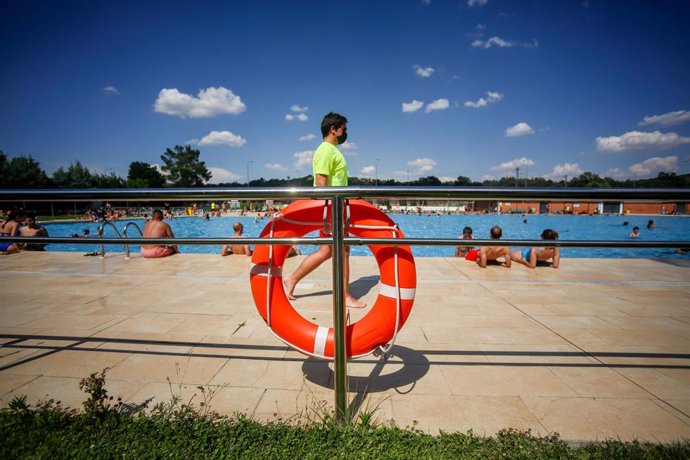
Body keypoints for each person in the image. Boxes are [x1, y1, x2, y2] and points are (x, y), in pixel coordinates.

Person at [283, 112, 366, 308]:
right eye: (343, 128)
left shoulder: (332, 150)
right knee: (343, 250)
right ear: (334, 129)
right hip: (332, 207)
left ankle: (292, 278)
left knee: (327, 251)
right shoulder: (326, 150)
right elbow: (321, 185)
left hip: (335, 206)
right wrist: (332, 213)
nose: (345, 132)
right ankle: (345, 296)